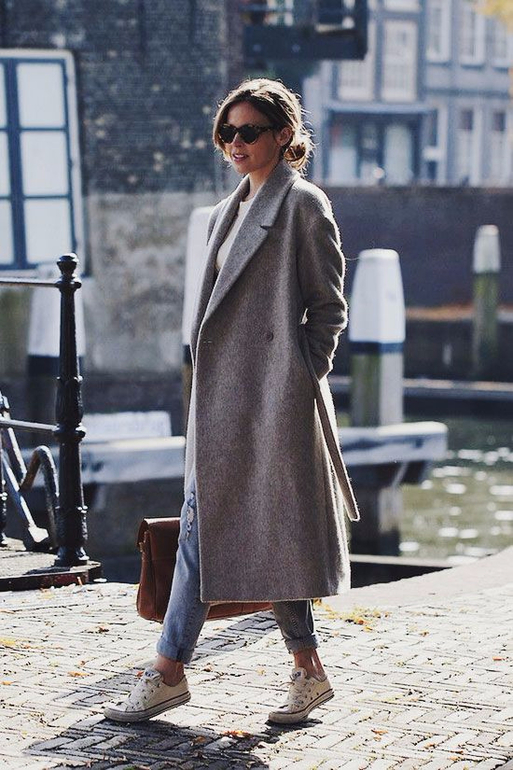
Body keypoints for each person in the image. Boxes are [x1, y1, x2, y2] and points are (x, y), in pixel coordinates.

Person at [104, 77, 359, 726]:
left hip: (273, 402)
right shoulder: (226, 211)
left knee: (220, 527)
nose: (235, 143)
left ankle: (167, 670)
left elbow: (328, 308)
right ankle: (307, 670)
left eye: (248, 131)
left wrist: (295, 376)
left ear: (283, 135)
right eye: (226, 133)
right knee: (253, 530)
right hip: (221, 403)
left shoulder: (303, 205)